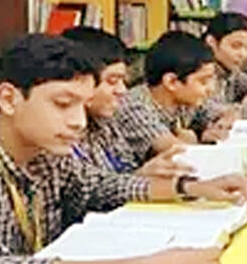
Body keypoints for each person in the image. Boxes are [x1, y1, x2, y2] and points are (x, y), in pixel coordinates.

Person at [0, 34, 247, 264]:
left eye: (82, 105)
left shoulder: (45, 154)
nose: (79, 122)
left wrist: (191, 187)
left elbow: (99, 186)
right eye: (62, 104)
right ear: (9, 99)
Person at [62, 27, 190, 178]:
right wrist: (141, 178)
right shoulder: (58, 134)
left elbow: (126, 167)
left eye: (123, 81)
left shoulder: (105, 125)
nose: (122, 91)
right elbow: (85, 189)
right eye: (112, 81)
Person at [111, 31, 228, 153]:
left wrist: (218, 126)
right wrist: (195, 139)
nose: (211, 88)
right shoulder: (135, 108)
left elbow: (226, 113)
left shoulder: (184, 99)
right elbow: (176, 151)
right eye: (203, 81)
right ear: (171, 82)